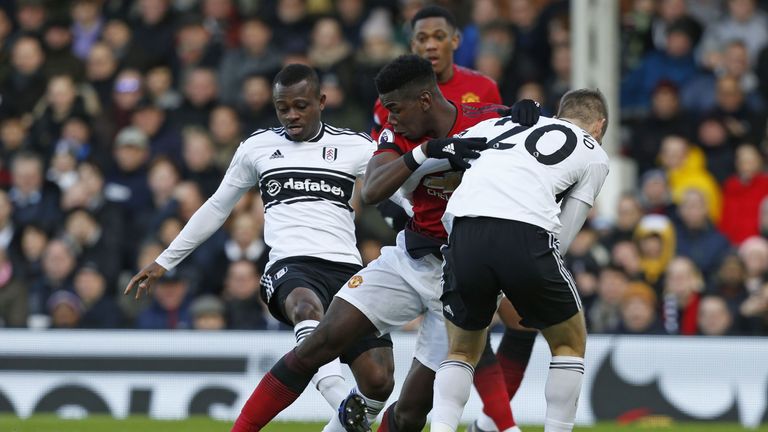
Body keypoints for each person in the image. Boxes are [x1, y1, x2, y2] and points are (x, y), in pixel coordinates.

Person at [218, 54, 539, 432]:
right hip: (407, 261)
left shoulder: (490, 120)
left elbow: (552, 146)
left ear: (423, 100)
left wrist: (534, 115)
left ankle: (495, 424)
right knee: (318, 343)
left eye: (394, 108)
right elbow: (370, 189)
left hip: (462, 279)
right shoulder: (397, 134)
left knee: (411, 412)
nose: (388, 118)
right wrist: (424, 155)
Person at [124, 64, 394, 432]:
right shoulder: (258, 147)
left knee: (379, 381)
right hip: (289, 267)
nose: (291, 115)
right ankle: (337, 396)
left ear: (321, 101)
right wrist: (163, 261)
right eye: (283, 107)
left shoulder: (357, 146)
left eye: (300, 105)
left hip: (348, 272)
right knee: (305, 306)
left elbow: (404, 198)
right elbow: (217, 206)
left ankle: (344, 415)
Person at [377, 8, 534, 430]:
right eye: (422, 37)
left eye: (438, 35)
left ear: (455, 40)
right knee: (467, 316)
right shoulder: (390, 98)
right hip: (418, 216)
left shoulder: (481, 88)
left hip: (476, 218)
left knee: (520, 322)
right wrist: (402, 213)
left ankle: (491, 421)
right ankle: (502, 423)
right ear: (412, 45)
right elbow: (388, 164)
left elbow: (500, 144)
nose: (430, 44)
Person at [430, 88, 610, 432]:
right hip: (525, 235)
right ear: (599, 125)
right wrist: (525, 277)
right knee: (569, 342)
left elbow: (438, 157)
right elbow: (566, 230)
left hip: (464, 231)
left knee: (461, 351)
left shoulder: (500, 124)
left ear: (559, 113)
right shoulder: (595, 153)